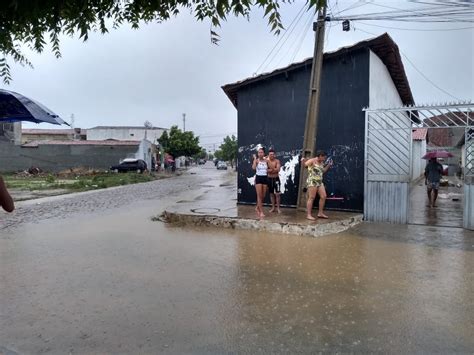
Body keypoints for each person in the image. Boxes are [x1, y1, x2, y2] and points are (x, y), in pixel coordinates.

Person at [301, 151, 332, 220]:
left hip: (319, 182)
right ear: (320, 156)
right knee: (311, 197)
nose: (324, 159)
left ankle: (320, 213)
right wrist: (303, 160)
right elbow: (305, 165)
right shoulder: (312, 160)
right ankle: (308, 215)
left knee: (323, 196)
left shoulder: (321, 162)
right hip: (312, 181)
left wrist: (328, 165)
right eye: (323, 157)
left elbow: (323, 171)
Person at [252, 147, 269, 218]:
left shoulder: (266, 160)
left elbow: (270, 167)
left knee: (263, 195)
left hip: (265, 178)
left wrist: (267, 160)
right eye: (259, 152)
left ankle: (257, 207)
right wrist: (255, 159)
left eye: (261, 152)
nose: (260, 154)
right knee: (259, 195)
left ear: (264, 153)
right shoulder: (256, 160)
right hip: (258, 178)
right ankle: (261, 212)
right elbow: (253, 168)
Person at [267, 148, 282, 213]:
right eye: (270, 154)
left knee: (277, 194)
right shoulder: (266, 161)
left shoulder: (277, 161)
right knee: (271, 194)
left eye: (273, 154)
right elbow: (266, 170)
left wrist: (271, 170)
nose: (272, 155)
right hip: (269, 179)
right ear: (268, 155)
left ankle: (278, 208)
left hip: (276, 179)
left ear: (274, 155)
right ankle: (273, 207)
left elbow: (278, 170)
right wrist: (273, 169)